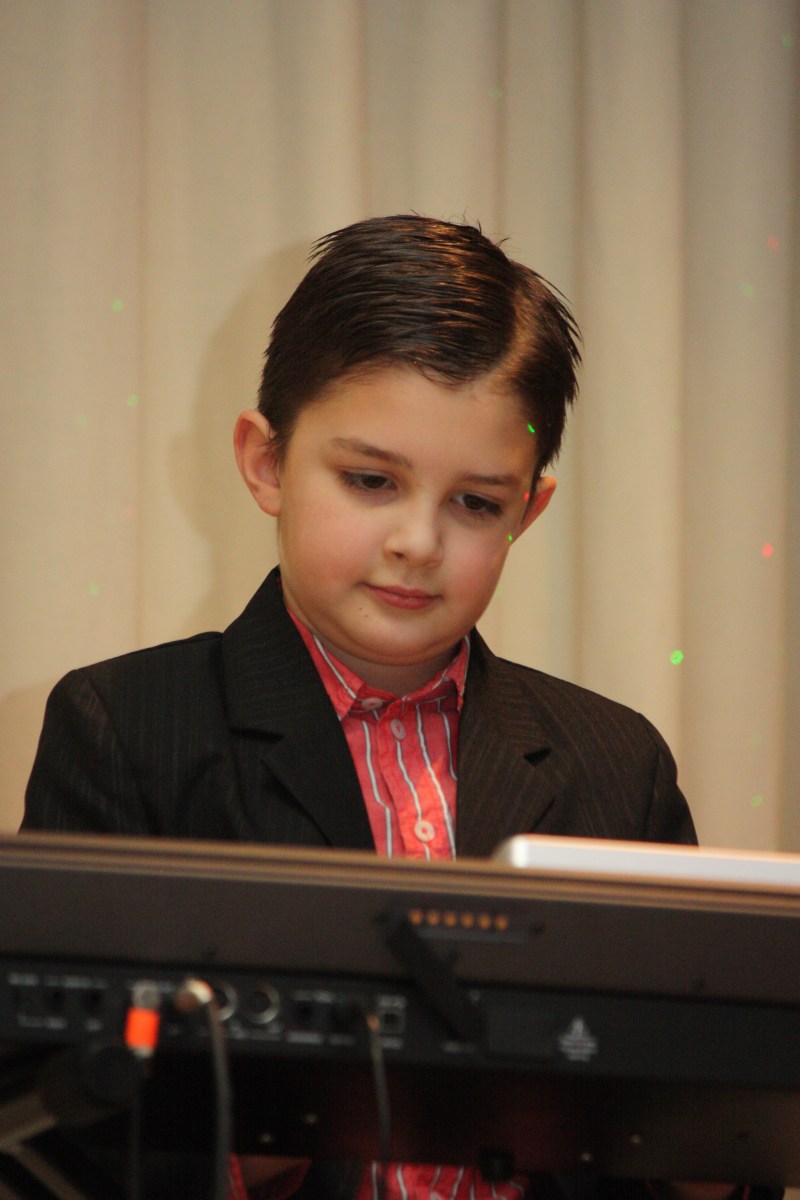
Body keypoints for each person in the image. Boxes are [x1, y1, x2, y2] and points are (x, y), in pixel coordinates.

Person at [22, 216, 780, 1200]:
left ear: (528, 510)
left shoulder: (613, 759)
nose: (418, 542)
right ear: (265, 462)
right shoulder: (126, 727)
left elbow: (708, 1137)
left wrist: (709, 1145)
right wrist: (249, 1134)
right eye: (370, 480)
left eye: (475, 503)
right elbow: (55, 1123)